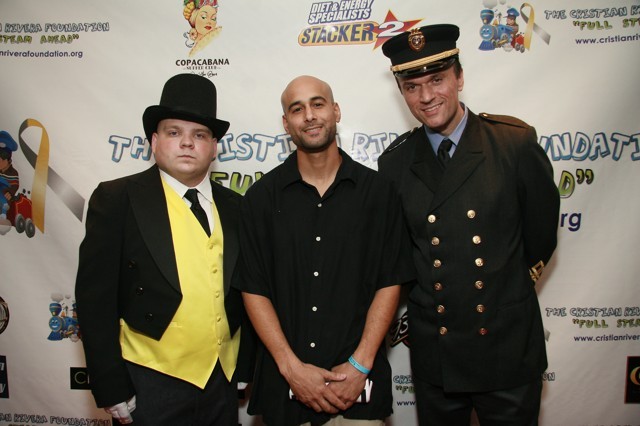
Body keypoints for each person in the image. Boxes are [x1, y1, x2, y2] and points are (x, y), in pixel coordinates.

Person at [379, 25, 560, 425]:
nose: (426, 96)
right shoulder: (394, 164)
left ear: (460, 78)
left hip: (506, 344)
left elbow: (541, 236)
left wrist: (502, 289)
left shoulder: (513, 143)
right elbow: (403, 256)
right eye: (412, 86)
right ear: (402, 92)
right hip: (437, 353)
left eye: (437, 80)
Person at [234, 75, 414, 426]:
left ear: (336, 111)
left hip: (359, 390)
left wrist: (360, 365)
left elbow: (390, 281)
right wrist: (292, 369)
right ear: (286, 123)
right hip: (284, 390)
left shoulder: (378, 192)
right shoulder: (260, 199)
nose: (309, 116)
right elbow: (253, 289)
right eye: (297, 109)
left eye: (317, 104)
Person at [75, 73, 250, 425]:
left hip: (222, 379)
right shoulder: (117, 199)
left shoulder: (236, 207)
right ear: (154, 142)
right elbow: (95, 300)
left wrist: (245, 364)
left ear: (214, 147)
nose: (187, 143)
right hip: (149, 379)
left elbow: (246, 292)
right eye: (173, 132)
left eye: (199, 135)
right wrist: (111, 385)